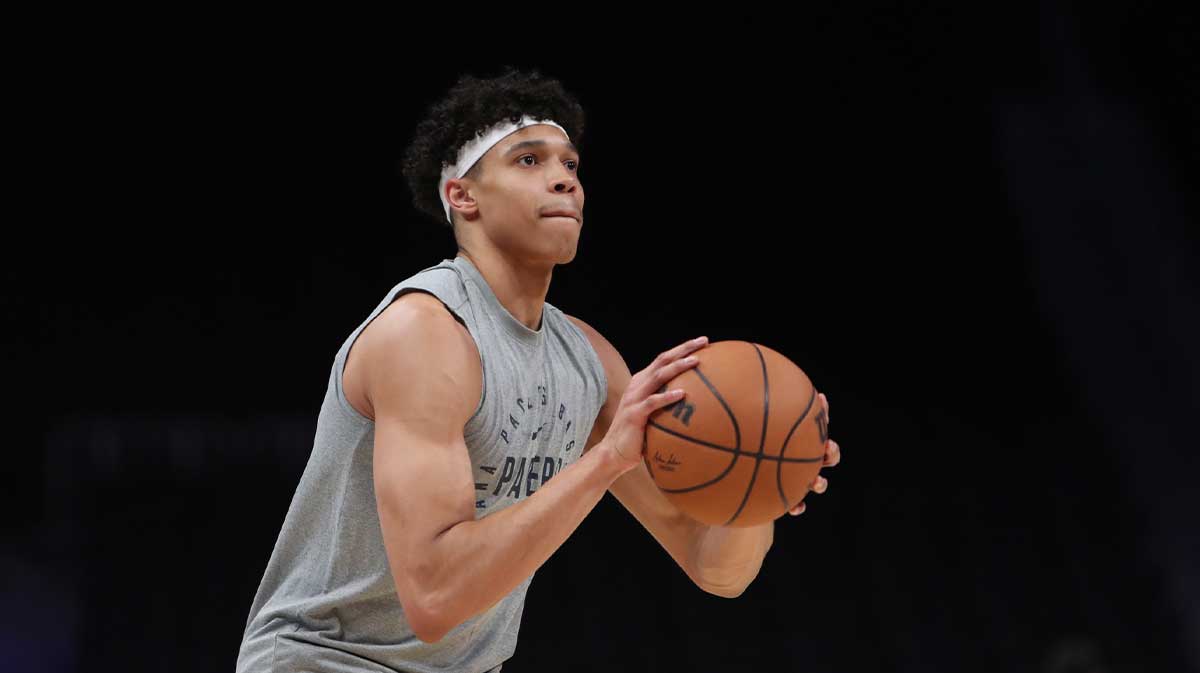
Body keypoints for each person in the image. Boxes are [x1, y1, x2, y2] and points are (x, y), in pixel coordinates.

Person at [235, 65, 841, 673]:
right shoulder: (425, 334)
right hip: (326, 658)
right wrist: (607, 459)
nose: (564, 180)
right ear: (463, 196)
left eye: (571, 165)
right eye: (529, 160)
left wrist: (761, 484)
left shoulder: (586, 360)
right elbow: (435, 597)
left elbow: (713, 568)